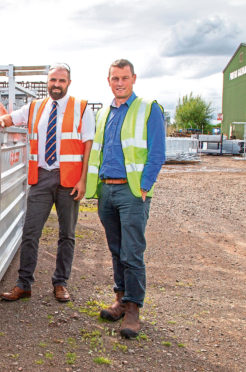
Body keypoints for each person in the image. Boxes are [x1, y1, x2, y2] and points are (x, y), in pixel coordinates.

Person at [0, 63, 95, 303]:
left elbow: (88, 144)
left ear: (68, 83)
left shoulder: (81, 108)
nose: (56, 85)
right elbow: (11, 118)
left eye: (61, 81)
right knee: (30, 232)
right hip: (41, 177)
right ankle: (23, 284)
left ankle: (60, 283)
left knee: (67, 234)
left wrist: (83, 180)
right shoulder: (35, 107)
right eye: (52, 81)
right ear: (47, 82)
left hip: (69, 179)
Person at [85, 59, 165, 338]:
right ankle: (120, 299)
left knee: (132, 252)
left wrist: (144, 185)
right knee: (116, 250)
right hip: (106, 191)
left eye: (124, 78)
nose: (120, 83)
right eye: (115, 78)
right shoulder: (105, 112)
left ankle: (133, 309)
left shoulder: (148, 108)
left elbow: (157, 152)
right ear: (109, 81)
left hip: (132, 193)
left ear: (133, 79)